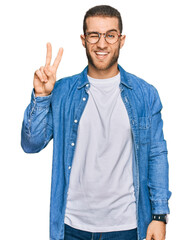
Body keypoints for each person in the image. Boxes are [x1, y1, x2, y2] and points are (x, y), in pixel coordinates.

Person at [21, 5, 172, 240]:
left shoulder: (145, 94)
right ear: (83, 39)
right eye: (94, 35)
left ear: (121, 40)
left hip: (126, 227)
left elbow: (156, 154)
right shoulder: (62, 92)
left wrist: (159, 215)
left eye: (110, 35)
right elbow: (31, 144)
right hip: (72, 226)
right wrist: (41, 97)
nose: (102, 44)